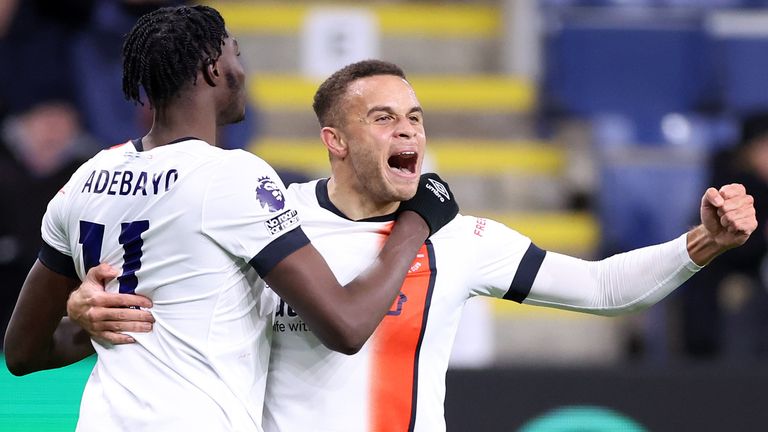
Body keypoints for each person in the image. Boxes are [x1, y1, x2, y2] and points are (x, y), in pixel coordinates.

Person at [68, 60, 757, 431]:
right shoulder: (269, 222)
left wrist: (704, 243)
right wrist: (84, 309)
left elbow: (605, 289)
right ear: (334, 142)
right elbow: (158, 305)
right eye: (383, 117)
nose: (409, 132)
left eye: (416, 117)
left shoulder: (461, 238)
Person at [2, 8, 458, 432]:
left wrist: (85, 323)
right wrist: (418, 221)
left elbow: (21, 352)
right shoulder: (232, 175)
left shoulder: (88, 176)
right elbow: (345, 325)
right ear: (213, 70)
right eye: (235, 54)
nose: (242, 70)